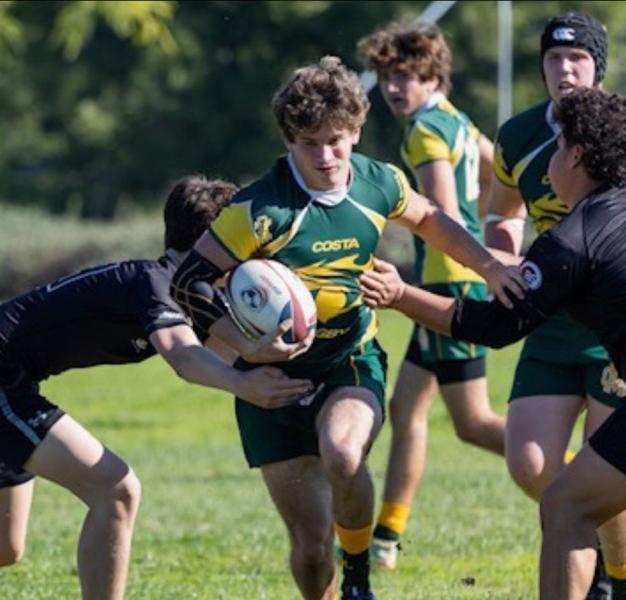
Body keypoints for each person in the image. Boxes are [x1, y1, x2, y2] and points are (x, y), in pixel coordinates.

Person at [360, 87, 626, 599]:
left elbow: (492, 328)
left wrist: (399, 294)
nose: (548, 168)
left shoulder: (574, 238)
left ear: (578, 156)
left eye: (560, 146)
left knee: (567, 505)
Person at [169, 57, 522, 600]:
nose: (326, 155)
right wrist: (246, 349)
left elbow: (432, 219)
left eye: (337, 140)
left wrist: (492, 266)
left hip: (348, 359)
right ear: (290, 140)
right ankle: (334, 583)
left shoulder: (379, 183)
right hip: (270, 386)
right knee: (310, 555)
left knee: (343, 452)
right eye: (310, 143)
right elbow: (188, 281)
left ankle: (359, 581)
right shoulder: (258, 210)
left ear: (356, 131)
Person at [0, 175, 313, 599]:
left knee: (6, 548)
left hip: (15, 380)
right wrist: (243, 384)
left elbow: (224, 355)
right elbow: (184, 357)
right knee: (116, 489)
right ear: (211, 241)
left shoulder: (195, 299)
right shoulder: (152, 282)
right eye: (238, 240)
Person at [485, 12, 626, 599]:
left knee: (611, 464)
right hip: (553, 320)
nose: (565, 68)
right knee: (528, 462)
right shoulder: (519, 137)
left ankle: (624, 586)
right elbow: (504, 214)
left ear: (597, 67)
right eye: (554, 58)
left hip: (621, 330)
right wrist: (500, 262)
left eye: (577, 59)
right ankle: (587, 542)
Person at [356, 22, 505, 570]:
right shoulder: (457, 121)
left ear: (433, 76)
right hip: (454, 277)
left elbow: (438, 216)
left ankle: (579, 483)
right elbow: (494, 170)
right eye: (387, 77)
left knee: (473, 423)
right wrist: (488, 225)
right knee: (405, 406)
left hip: (447, 283)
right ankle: (387, 538)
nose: (395, 89)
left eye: (407, 77)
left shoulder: (423, 132)